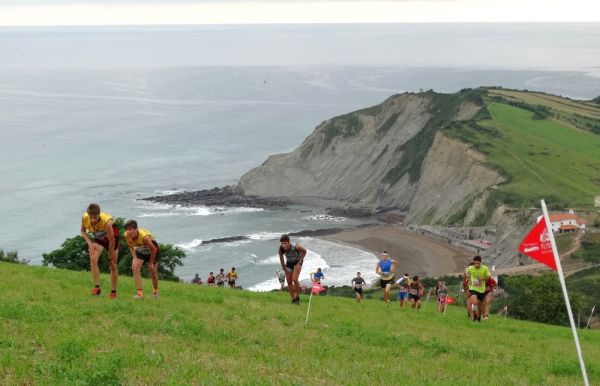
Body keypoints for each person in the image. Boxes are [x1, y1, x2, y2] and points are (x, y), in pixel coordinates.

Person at [80, 203, 120, 298]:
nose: (93, 220)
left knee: (113, 265)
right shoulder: (85, 217)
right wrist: (89, 242)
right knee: (93, 259)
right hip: (99, 237)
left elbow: (111, 242)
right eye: (91, 217)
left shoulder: (107, 222)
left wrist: (109, 258)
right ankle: (97, 288)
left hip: (112, 238)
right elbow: (82, 231)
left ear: (99, 214)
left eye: (95, 217)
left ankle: (113, 292)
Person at [124, 219, 160, 299]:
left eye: (130, 229)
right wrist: (135, 258)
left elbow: (153, 249)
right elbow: (131, 247)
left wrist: (150, 264)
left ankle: (155, 292)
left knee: (153, 272)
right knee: (135, 267)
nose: (128, 232)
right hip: (140, 248)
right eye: (127, 230)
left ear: (136, 229)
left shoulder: (145, 237)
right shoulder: (126, 235)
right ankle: (140, 294)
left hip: (152, 249)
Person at [278, 234, 307, 305]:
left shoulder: (296, 247)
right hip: (289, 263)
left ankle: (297, 297)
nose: (284, 245)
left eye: (285, 243)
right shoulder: (281, 249)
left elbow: (305, 252)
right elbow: (282, 261)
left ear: (289, 242)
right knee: (288, 280)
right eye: (282, 243)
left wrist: (300, 261)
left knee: (294, 279)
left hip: (297, 262)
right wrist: (285, 270)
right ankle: (293, 299)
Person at [466, 255, 491, 322]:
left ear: (480, 262)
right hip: (473, 288)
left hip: (481, 289)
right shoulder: (470, 268)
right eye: (475, 263)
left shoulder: (485, 268)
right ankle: (474, 315)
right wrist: (469, 280)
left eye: (478, 263)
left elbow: (489, 277)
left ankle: (478, 318)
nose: (476, 265)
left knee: (480, 306)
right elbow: (467, 274)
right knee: (474, 302)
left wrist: (483, 278)